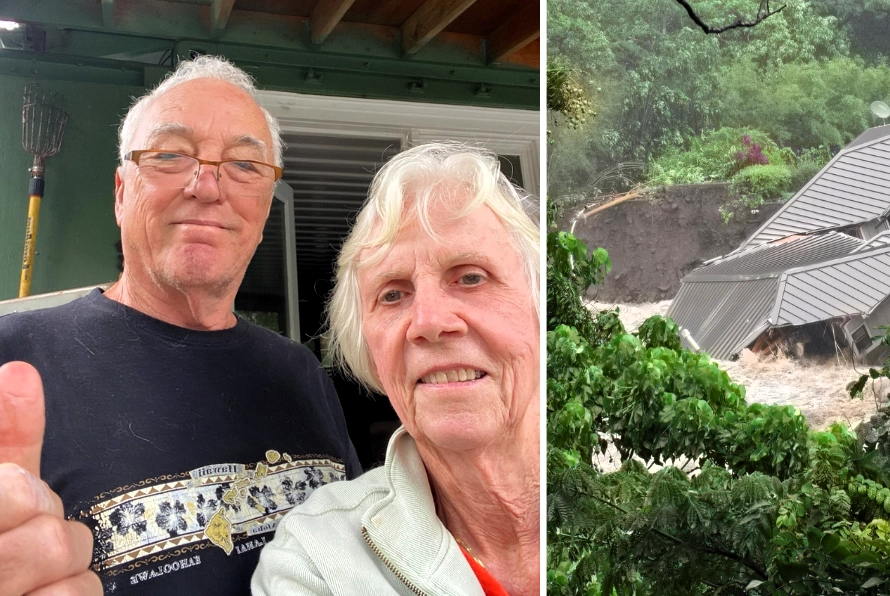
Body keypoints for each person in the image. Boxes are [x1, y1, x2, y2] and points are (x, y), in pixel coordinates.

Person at [0, 56, 360, 596]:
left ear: (264, 207)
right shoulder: (15, 362)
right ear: (121, 193)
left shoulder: (300, 372)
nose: (208, 186)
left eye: (244, 165)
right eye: (170, 155)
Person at [252, 143, 541, 595]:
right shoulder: (317, 558)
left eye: (470, 277)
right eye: (392, 294)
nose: (428, 322)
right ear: (369, 347)